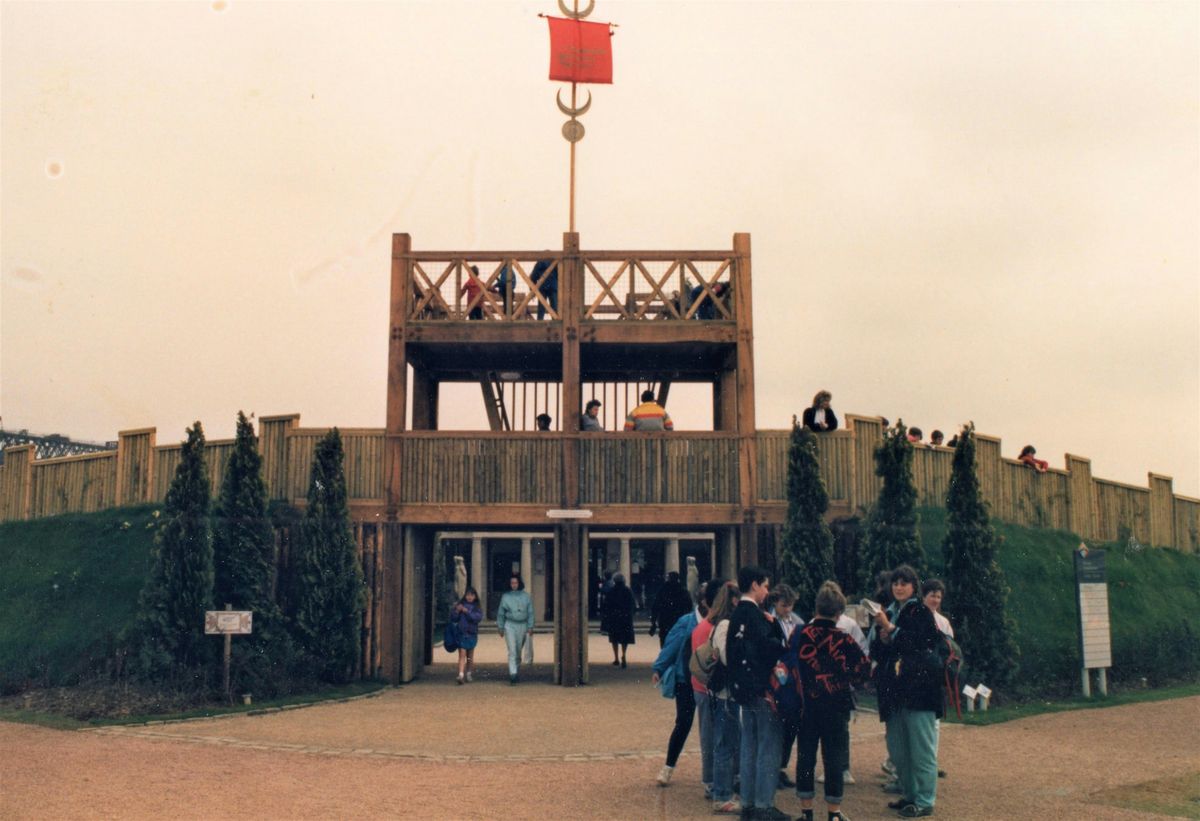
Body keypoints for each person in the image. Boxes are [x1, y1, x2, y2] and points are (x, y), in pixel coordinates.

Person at [791, 581, 872, 821]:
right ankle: (833, 813)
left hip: (807, 705)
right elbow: (864, 670)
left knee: (806, 755)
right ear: (839, 613)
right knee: (834, 757)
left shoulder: (800, 633)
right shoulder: (844, 639)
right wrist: (847, 676)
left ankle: (806, 811)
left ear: (816, 608)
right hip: (836, 704)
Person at [871, 565, 943, 818]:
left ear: (914, 587)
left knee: (921, 749)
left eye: (904, 582)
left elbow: (921, 643)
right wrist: (881, 638)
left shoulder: (921, 611)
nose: (898, 587)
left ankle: (924, 800)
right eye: (895, 582)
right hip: (895, 691)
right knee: (899, 750)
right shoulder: (889, 612)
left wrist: (890, 629)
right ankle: (909, 795)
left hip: (919, 692)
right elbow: (878, 653)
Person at [728, 565, 789, 821]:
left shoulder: (735, 616)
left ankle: (749, 804)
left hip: (742, 691)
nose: (766, 591)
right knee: (768, 746)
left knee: (749, 745)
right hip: (762, 690)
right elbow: (770, 649)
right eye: (764, 586)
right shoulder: (757, 616)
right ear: (754, 585)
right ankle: (764, 804)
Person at [651, 582, 708, 787]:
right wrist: (659, 667)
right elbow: (672, 645)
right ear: (703, 602)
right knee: (683, 723)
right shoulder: (687, 621)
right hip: (686, 679)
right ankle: (668, 766)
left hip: (707, 681)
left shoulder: (719, 622)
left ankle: (710, 772)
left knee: (709, 727)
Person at [703, 581, 743, 814]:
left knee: (726, 742)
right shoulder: (725, 625)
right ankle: (722, 795)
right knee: (725, 744)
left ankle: (723, 790)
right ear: (734, 601)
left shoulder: (719, 624)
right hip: (726, 693)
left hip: (723, 692)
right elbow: (729, 658)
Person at [769, 584, 804, 790]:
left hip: (793, 677)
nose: (788, 610)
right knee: (776, 725)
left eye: (790, 605)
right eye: (784, 606)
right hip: (777, 674)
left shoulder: (797, 621)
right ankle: (773, 769)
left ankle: (781, 767)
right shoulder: (770, 621)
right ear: (775, 603)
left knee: (791, 725)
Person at [496, 574, 535, 685]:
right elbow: (501, 613)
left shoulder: (526, 596)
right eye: (512, 583)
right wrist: (500, 626)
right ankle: (512, 674)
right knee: (512, 650)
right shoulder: (505, 597)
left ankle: (516, 670)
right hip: (510, 625)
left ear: (519, 583)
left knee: (518, 650)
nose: (514, 585)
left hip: (522, 625)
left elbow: (530, 612)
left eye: (516, 583)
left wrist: (530, 626)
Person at [601, 572, 636, 667]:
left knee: (614, 638)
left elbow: (606, 606)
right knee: (625, 639)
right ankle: (624, 654)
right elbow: (632, 604)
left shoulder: (611, 591)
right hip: (625, 618)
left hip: (614, 618)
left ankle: (616, 658)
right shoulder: (627, 590)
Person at [650, 571, 693, 649]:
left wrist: (653, 620)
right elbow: (689, 606)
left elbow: (656, 606)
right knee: (677, 640)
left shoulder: (663, 590)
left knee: (664, 639)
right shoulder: (682, 590)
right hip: (678, 619)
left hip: (665, 619)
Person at [450, 587, 483, 684]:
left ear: (475, 597)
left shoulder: (477, 608)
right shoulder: (460, 605)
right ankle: (461, 674)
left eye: (472, 595)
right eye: (468, 595)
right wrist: (457, 611)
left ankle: (468, 673)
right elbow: (454, 618)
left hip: (472, 634)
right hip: (462, 633)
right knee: (462, 654)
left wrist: (466, 612)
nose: (469, 597)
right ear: (465, 596)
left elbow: (477, 618)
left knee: (470, 656)